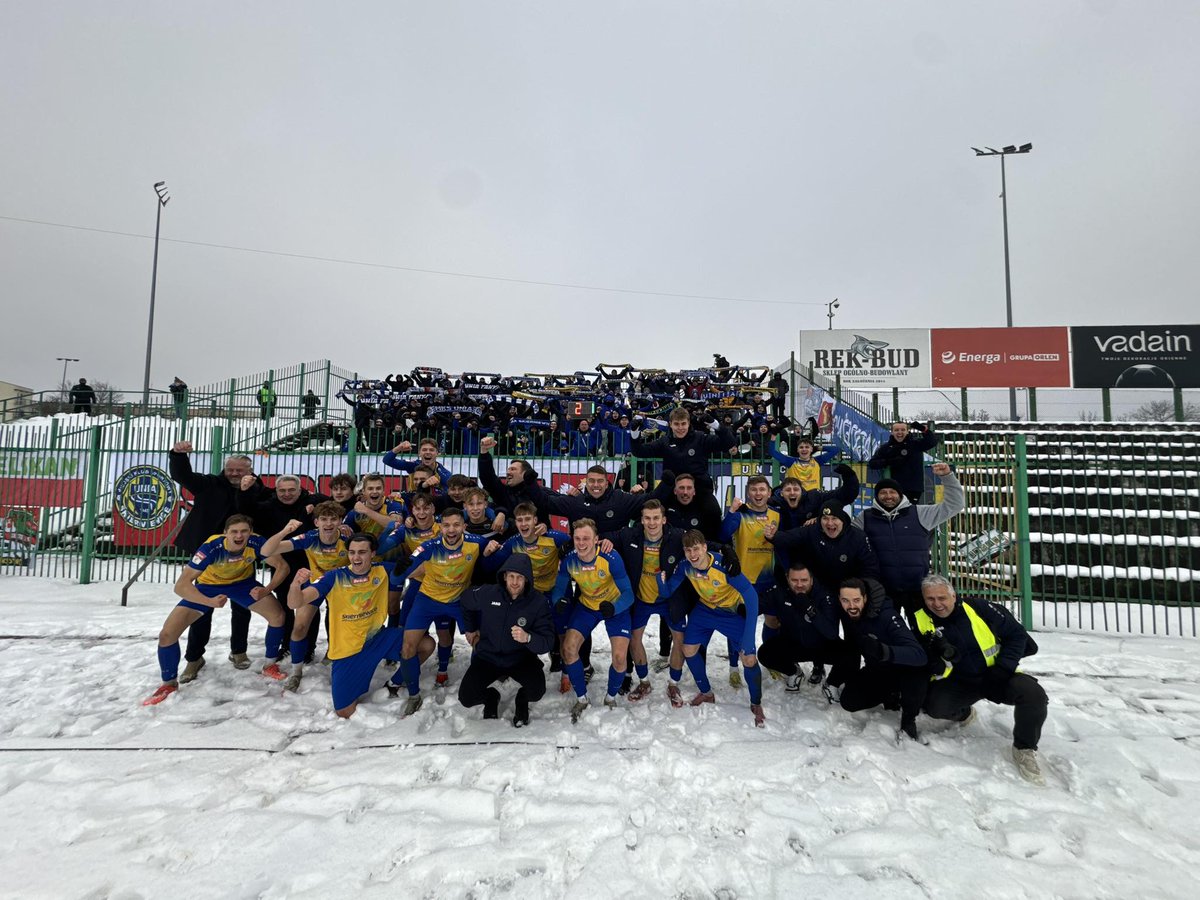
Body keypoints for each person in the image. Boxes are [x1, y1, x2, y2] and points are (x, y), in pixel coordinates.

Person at [142, 515, 290, 705]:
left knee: (278, 616)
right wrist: (208, 601)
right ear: (225, 533)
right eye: (234, 532)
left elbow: (282, 567)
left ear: (250, 533)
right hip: (208, 587)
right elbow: (181, 586)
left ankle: (270, 665)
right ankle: (168, 683)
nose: (239, 536)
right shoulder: (212, 547)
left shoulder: (257, 542)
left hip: (241, 584)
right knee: (167, 634)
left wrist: (265, 590)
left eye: (244, 531)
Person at [916, 574, 1048, 784]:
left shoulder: (979, 608)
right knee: (934, 707)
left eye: (942, 598)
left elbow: (1017, 636)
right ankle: (965, 714)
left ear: (953, 595)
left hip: (997, 674)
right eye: (930, 599)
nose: (937, 604)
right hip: (961, 680)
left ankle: (1024, 748)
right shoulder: (921, 618)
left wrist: (1003, 669)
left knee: (1033, 695)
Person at [287, 533, 435, 718]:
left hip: (378, 638)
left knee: (427, 644)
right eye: (352, 552)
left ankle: (396, 681)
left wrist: (408, 564)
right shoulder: (334, 576)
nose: (356, 557)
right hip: (348, 650)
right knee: (344, 711)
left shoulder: (382, 570)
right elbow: (295, 603)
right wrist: (295, 585)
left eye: (362, 552)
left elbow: (421, 570)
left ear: (372, 553)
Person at [167, 441, 267, 680]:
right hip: (209, 557)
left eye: (239, 470)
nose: (234, 474)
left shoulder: (256, 487)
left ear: (249, 471)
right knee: (202, 608)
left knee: (243, 608)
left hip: (243, 557)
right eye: (230, 470)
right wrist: (178, 455)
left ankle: (239, 651)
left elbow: (262, 508)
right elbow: (183, 475)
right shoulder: (210, 484)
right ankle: (194, 658)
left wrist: (248, 490)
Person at [659, 531, 766, 726]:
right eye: (688, 550)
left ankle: (756, 702)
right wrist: (661, 580)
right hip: (706, 610)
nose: (693, 555)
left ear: (705, 548)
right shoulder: (685, 566)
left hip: (731, 612)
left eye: (696, 549)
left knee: (749, 658)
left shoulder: (723, 565)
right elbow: (667, 591)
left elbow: (751, 596)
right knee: (688, 649)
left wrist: (750, 636)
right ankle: (706, 692)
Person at [396, 508, 494, 714]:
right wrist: (403, 568)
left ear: (464, 527)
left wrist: (495, 547)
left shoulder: (476, 542)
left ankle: (477, 686)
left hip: (458, 601)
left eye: (456, 525)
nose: (451, 530)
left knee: (478, 641)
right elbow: (412, 560)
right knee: (407, 647)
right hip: (427, 600)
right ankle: (414, 695)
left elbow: (497, 553)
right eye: (447, 525)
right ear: (440, 527)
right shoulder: (430, 545)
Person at [853, 461, 964, 620]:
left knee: (925, 634)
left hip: (918, 589)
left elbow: (955, 505)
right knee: (888, 635)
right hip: (884, 589)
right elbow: (845, 532)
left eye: (892, 492)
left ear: (900, 494)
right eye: (883, 492)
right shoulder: (865, 517)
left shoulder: (920, 513)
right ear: (876, 496)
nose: (888, 496)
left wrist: (947, 477)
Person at [550, 518, 636, 721]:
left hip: (614, 607)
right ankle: (582, 698)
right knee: (569, 649)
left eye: (586, 538)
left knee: (620, 658)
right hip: (587, 606)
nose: (581, 543)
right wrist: (558, 601)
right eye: (577, 538)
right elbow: (558, 590)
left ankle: (610, 697)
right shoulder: (570, 559)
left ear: (596, 539)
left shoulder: (610, 557)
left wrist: (614, 607)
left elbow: (629, 594)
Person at [459, 553, 557, 726]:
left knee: (537, 691)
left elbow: (548, 641)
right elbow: (466, 600)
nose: (514, 582)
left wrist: (528, 638)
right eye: (511, 576)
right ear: (504, 576)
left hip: (520, 658)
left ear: (526, 579)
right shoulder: (488, 593)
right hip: (488, 657)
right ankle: (491, 696)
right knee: (466, 697)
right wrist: (470, 628)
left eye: (520, 577)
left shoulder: (538, 602)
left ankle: (522, 699)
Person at [260, 502, 349, 692]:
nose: (328, 523)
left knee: (345, 626)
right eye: (324, 519)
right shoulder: (310, 538)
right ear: (316, 522)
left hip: (341, 587)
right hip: (316, 585)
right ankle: (296, 671)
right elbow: (266, 551)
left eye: (333, 519)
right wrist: (285, 531)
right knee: (299, 627)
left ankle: (339, 663)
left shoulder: (348, 538)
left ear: (341, 521)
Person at [609, 500, 687, 701]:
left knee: (680, 640)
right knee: (634, 640)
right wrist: (603, 540)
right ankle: (644, 682)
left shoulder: (677, 536)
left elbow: (703, 543)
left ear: (663, 519)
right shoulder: (629, 535)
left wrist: (726, 551)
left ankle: (673, 684)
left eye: (656, 518)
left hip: (669, 599)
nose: (652, 523)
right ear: (641, 520)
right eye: (647, 518)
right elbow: (597, 537)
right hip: (641, 599)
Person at [834, 577, 928, 740]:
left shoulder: (887, 616)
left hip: (904, 670)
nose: (851, 606)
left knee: (917, 673)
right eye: (845, 600)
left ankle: (908, 720)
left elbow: (919, 655)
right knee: (849, 701)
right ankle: (890, 694)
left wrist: (885, 651)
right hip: (878, 670)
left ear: (865, 598)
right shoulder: (850, 615)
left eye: (856, 600)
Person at [757, 562, 857, 692]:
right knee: (765, 653)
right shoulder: (781, 591)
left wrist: (810, 609)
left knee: (852, 655)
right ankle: (794, 672)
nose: (799, 584)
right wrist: (744, 609)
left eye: (804, 580)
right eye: (794, 580)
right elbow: (761, 603)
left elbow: (831, 632)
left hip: (822, 646)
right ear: (787, 578)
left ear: (811, 579)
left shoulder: (825, 595)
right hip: (794, 644)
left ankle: (832, 684)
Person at [768, 504, 879, 596]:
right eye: (825, 518)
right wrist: (774, 536)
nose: (830, 523)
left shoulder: (858, 537)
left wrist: (863, 592)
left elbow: (869, 567)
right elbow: (790, 537)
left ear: (842, 520)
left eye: (834, 518)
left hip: (849, 594)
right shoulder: (811, 531)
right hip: (819, 594)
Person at [631, 408, 735, 495]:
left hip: (700, 491)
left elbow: (729, 443)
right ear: (670, 424)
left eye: (683, 424)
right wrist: (635, 432)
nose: (680, 428)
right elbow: (639, 452)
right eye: (676, 424)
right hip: (672, 491)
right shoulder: (664, 442)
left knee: (714, 513)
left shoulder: (700, 438)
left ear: (688, 423)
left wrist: (715, 424)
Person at [868, 421, 942, 503]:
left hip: (913, 488)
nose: (900, 432)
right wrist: (888, 461)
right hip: (893, 489)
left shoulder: (916, 444)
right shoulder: (887, 447)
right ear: (892, 432)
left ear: (907, 431)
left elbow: (932, 442)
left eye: (903, 430)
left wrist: (923, 429)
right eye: (896, 430)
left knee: (909, 513)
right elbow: (872, 463)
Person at [663, 472, 723, 540]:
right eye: (681, 488)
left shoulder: (704, 510)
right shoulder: (666, 507)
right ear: (675, 491)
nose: (685, 492)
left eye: (689, 488)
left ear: (694, 491)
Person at [770, 435, 839, 493]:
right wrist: (773, 438)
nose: (804, 449)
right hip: (796, 496)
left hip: (813, 497)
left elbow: (836, 450)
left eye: (807, 447)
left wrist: (818, 448)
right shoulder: (790, 461)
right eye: (801, 447)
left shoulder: (818, 461)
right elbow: (772, 452)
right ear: (797, 450)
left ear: (811, 449)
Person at [383, 438, 452, 489]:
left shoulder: (445, 474)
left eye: (431, 450)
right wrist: (399, 448)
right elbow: (387, 460)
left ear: (437, 453)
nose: (428, 452)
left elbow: (449, 495)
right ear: (419, 453)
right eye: (424, 450)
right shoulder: (413, 465)